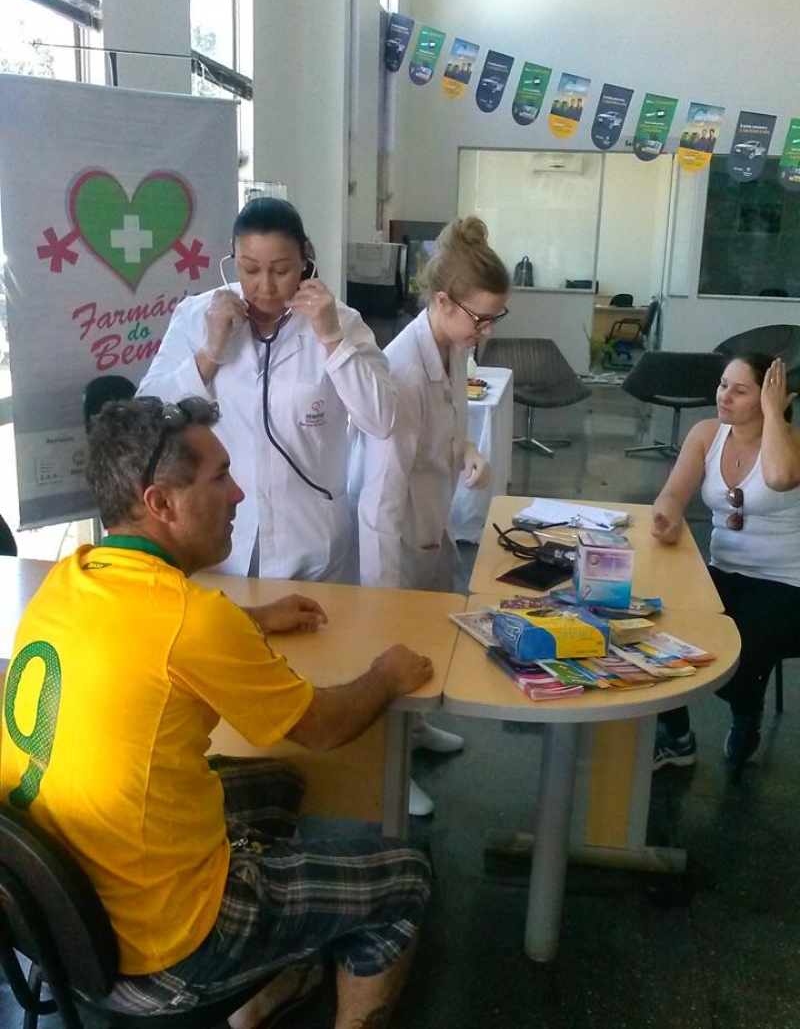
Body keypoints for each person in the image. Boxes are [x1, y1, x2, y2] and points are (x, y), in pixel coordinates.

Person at [0, 396, 432, 1029]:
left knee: (278, 785)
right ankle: (239, 967)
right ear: (161, 503)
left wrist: (249, 619)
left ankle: (263, 993)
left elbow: (153, 631)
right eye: (220, 476)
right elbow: (326, 727)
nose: (238, 495)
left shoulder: (71, 578)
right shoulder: (194, 622)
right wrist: (386, 675)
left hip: (51, 927)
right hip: (158, 958)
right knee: (407, 876)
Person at [138, 197, 395, 582]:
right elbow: (147, 414)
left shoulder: (342, 321)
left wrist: (333, 341)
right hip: (220, 538)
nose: (265, 287)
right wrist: (209, 354)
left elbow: (381, 419)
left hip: (310, 540)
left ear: (305, 260)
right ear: (233, 259)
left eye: (281, 270)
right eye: (250, 269)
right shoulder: (196, 317)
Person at [357, 216, 511, 815]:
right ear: (443, 301)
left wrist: (469, 451)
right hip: (393, 535)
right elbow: (381, 494)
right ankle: (389, 773)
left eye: (496, 317)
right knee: (393, 646)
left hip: (428, 523)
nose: (487, 330)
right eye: (481, 318)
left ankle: (415, 733)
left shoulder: (450, 347)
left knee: (427, 637)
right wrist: (382, 595)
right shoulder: (401, 369)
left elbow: (446, 427)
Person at [651, 354, 800, 771]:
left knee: (740, 655)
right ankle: (677, 738)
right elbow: (673, 493)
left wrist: (774, 415)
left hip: (787, 582)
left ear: (769, 397)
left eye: (740, 390)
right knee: (655, 628)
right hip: (723, 569)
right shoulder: (706, 433)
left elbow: (780, 478)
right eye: (722, 385)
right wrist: (667, 515)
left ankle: (746, 715)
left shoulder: (791, 442)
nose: (724, 397)